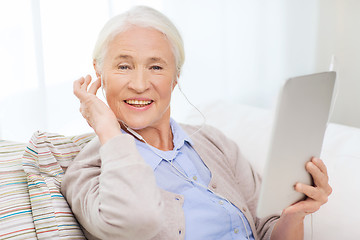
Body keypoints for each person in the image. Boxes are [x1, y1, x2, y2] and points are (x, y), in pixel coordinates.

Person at [61, 5, 332, 240]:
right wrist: (109, 131)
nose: (140, 84)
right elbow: (136, 220)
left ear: (176, 76)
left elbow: (267, 230)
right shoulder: (87, 170)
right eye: (123, 66)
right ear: (99, 72)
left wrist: (296, 214)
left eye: (156, 67)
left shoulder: (212, 142)